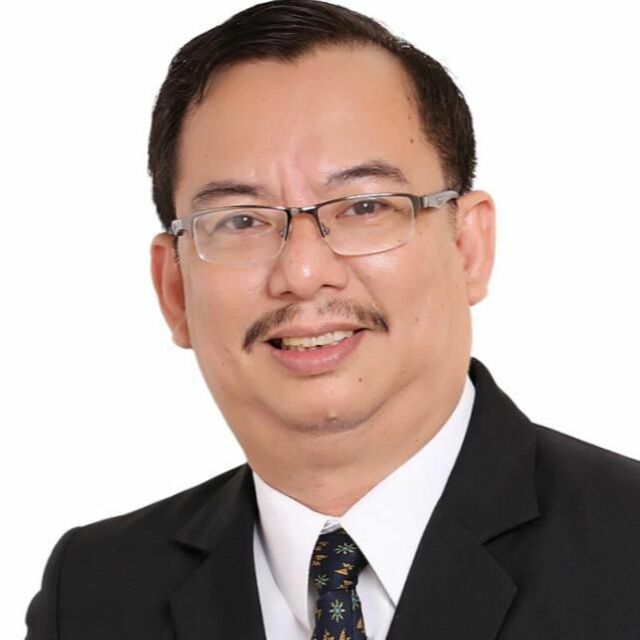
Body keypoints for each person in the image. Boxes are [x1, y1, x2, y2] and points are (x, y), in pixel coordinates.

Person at [25, 1, 640, 638]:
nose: (302, 271)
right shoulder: (94, 595)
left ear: (468, 248)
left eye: (364, 207)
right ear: (174, 289)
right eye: (241, 220)